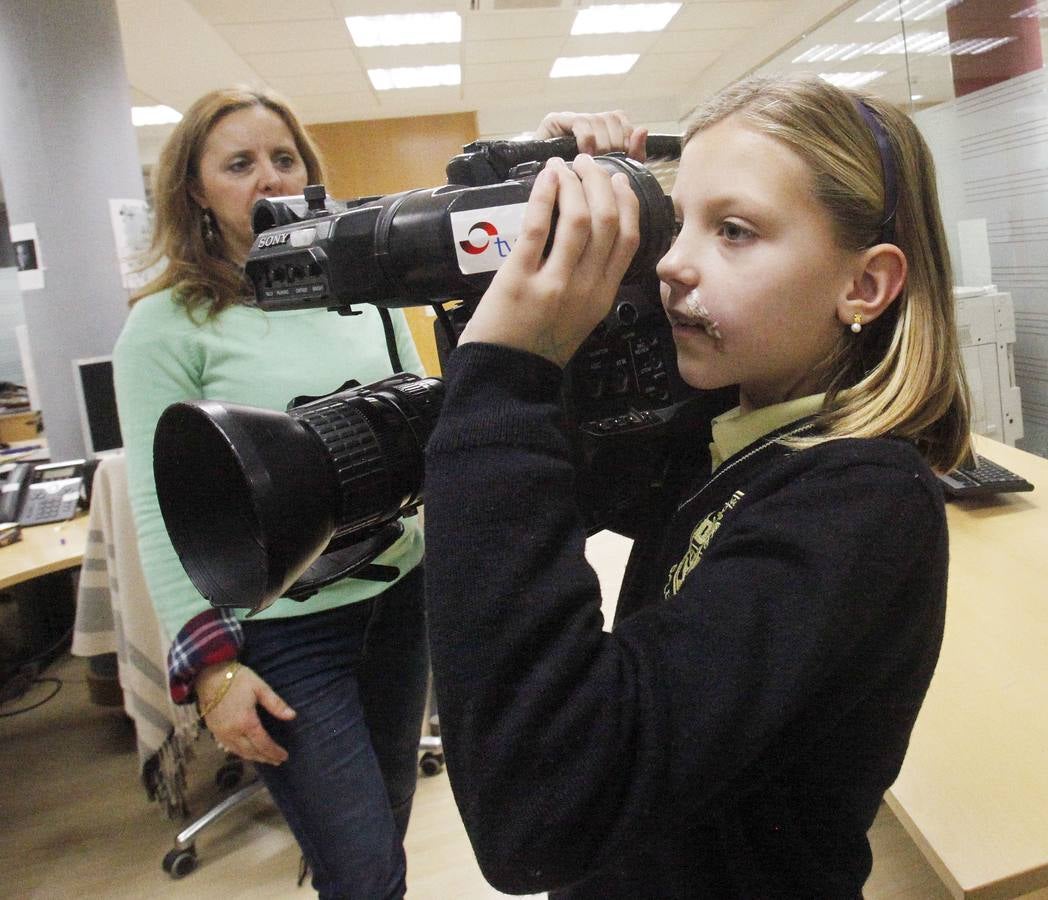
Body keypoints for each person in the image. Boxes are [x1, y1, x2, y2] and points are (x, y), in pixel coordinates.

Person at [421, 75, 971, 898]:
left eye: (735, 231)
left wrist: (505, 381)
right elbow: (573, 492)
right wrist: (593, 224)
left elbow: (541, 804)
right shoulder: (730, 429)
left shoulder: (863, 502)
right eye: (675, 228)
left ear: (863, 286)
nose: (675, 264)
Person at [113, 87, 428, 900]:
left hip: (400, 598)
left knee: (386, 826)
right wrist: (210, 669)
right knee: (362, 869)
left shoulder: (370, 290)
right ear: (196, 190)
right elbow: (161, 511)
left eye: (284, 158)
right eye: (240, 163)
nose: (269, 179)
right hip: (285, 632)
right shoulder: (165, 325)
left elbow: (415, 426)